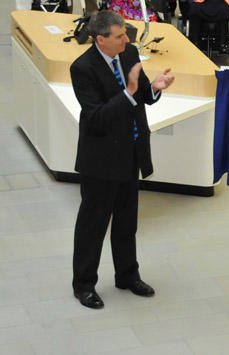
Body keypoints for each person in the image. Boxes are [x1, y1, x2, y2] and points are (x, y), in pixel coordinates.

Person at [70, 10, 175, 309]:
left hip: (131, 152)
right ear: (100, 39)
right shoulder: (83, 68)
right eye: (119, 36)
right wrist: (129, 93)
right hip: (100, 159)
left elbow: (141, 94)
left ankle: (128, 275)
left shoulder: (128, 52)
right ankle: (84, 284)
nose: (126, 40)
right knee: (93, 225)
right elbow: (97, 117)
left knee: (127, 222)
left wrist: (154, 87)